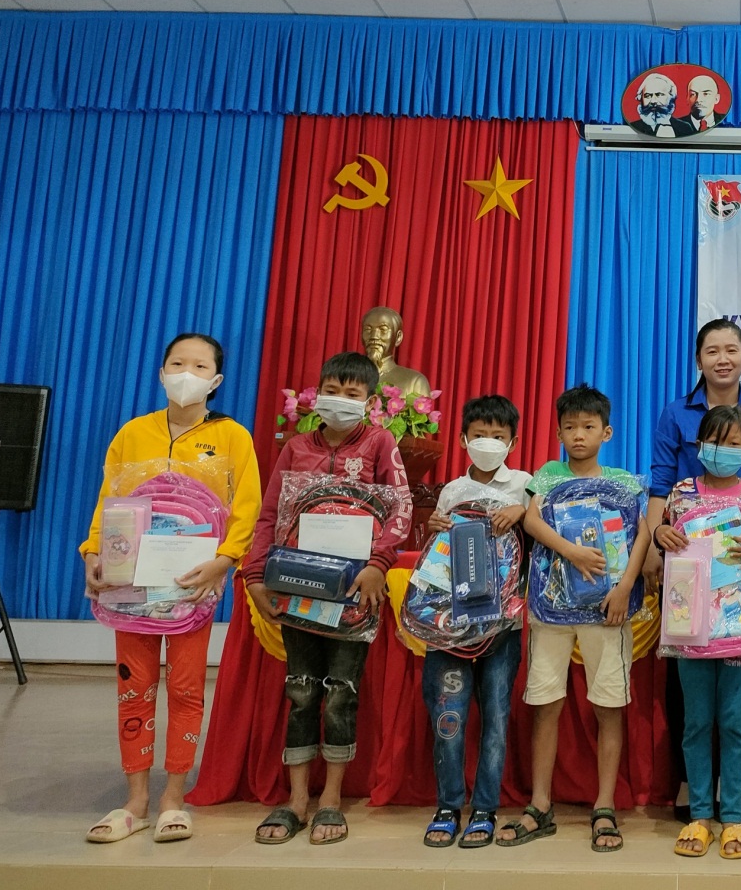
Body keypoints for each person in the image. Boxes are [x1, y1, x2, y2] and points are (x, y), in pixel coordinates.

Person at [81, 333, 261, 844]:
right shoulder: (132, 433)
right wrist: (92, 552)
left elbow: (247, 507)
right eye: (177, 363)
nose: (187, 373)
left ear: (216, 380)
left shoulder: (232, 437)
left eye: (199, 366)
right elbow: (109, 498)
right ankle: (135, 800)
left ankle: (173, 798)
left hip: (191, 586)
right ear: (161, 373)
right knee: (133, 688)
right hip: (130, 584)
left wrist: (224, 561)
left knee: (185, 690)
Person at [245, 351, 411, 845]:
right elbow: (269, 514)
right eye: (332, 391)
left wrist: (379, 563)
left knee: (341, 693)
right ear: (317, 395)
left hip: (355, 592)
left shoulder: (381, 442)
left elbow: (401, 508)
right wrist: (255, 576)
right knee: (300, 692)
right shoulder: (297, 446)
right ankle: (296, 800)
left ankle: (332, 799)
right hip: (298, 589)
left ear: (370, 401)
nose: (340, 400)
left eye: (352, 394)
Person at [643, 317, 741, 820]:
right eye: (712, 350)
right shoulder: (675, 413)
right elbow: (660, 485)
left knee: (738, 699)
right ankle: (692, 790)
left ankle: (732, 799)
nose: (722, 358)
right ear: (699, 359)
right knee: (687, 688)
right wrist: (653, 545)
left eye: (732, 349)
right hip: (688, 574)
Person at [496, 384, 648, 853]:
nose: (578, 435)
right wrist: (573, 552)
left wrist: (624, 588)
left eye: (588, 426)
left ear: (607, 432)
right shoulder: (547, 474)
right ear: (558, 432)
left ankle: (604, 806)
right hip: (551, 608)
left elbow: (642, 535)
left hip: (608, 609)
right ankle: (540, 804)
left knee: (609, 704)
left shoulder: (625, 482)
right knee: (546, 702)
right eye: (569, 427)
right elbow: (532, 521)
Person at [654, 405, 741, 860]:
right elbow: (666, 540)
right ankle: (700, 815)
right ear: (698, 444)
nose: (723, 450)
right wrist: (660, 537)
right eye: (715, 441)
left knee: (734, 722)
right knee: (696, 722)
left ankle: (733, 818)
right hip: (691, 622)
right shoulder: (681, 493)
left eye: (734, 443)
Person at [419, 395, 531, 849]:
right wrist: (433, 529)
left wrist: (522, 511)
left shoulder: (524, 484)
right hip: (451, 623)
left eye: (498, 436)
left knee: (497, 717)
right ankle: (448, 805)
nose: (488, 442)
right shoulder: (451, 490)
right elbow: (437, 555)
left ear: (513, 442)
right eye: (479, 435)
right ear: (464, 439)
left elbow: (540, 530)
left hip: (502, 624)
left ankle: (485, 808)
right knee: (448, 715)